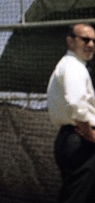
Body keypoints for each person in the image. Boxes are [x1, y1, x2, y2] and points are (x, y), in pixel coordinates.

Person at [47, 22, 95, 203]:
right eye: (85, 39)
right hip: (80, 140)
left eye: (93, 41)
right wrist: (90, 134)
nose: (90, 45)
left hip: (74, 139)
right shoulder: (73, 67)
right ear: (70, 41)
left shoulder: (73, 65)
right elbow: (76, 104)